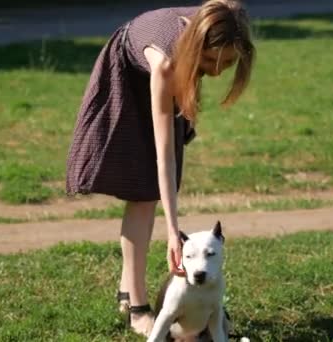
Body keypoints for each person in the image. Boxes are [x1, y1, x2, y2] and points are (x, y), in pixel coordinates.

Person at [66, 0, 255, 336]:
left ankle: (131, 290)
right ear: (198, 47)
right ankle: (137, 307)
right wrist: (172, 232)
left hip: (173, 66)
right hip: (128, 71)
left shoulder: (227, 19)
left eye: (227, 62)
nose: (216, 70)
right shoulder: (167, 64)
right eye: (210, 61)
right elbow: (163, 154)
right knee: (143, 191)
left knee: (153, 188)